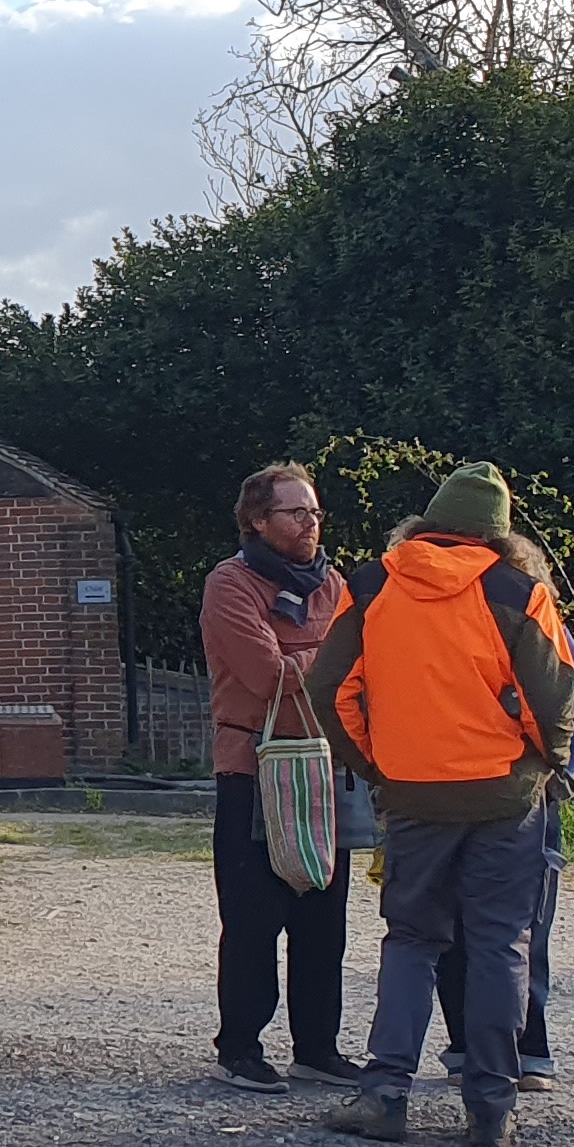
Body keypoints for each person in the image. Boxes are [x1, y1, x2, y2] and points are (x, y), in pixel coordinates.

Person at [308, 462, 574, 1147]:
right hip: (504, 795)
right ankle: (491, 1107)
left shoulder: (370, 585)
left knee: (410, 940)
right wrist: (545, 761)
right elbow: (555, 699)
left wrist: (376, 762)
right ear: (500, 532)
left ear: (427, 523)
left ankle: (384, 1093)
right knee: (498, 944)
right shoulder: (519, 591)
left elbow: (330, 689)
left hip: (412, 793)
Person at [201, 465, 358, 1091]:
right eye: (296, 513)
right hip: (253, 768)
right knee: (253, 917)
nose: (310, 523)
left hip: (324, 768)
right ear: (257, 521)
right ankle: (240, 1048)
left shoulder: (334, 585)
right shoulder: (230, 583)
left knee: (324, 919)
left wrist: (308, 660)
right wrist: (329, 658)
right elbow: (266, 674)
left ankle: (317, 1047)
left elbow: (359, 669)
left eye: (315, 512)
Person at [437, 607, 574, 1089]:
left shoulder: (543, 624)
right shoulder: (433, 621)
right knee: (450, 929)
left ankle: (529, 1049)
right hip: (443, 796)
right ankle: (465, 1046)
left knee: (527, 930)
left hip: (529, 803)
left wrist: (558, 775)